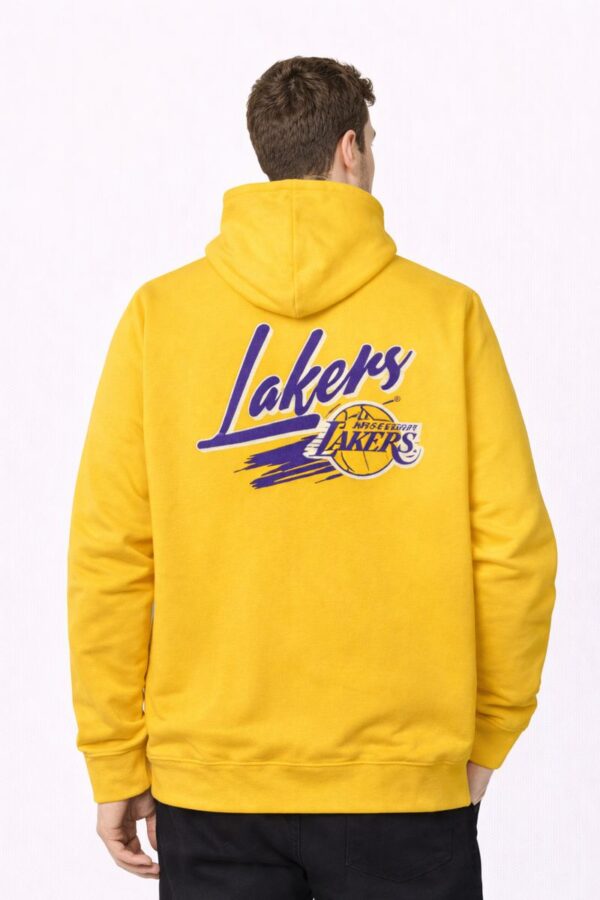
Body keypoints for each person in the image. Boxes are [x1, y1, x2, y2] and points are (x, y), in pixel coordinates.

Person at [67, 56, 558, 899]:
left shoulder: (160, 318)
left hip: (213, 789)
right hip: (403, 783)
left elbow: (110, 557)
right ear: (349, 150)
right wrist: (485, 740)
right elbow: (514, 552)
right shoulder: (446, 316)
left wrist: (115, 757)